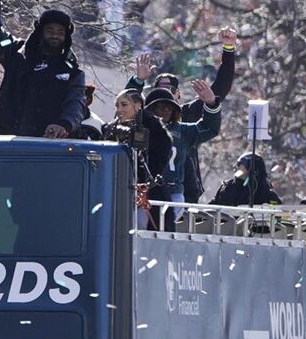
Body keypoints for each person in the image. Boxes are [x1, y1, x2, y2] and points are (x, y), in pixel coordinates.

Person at [125, 27, 238, 203]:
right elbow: (126, 106)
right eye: (159, 89)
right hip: (147, 189)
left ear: (178, 95)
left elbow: (221, 88)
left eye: (169, 89)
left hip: (185, 190)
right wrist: (138, 81)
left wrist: (229, 49)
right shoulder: (145, 118)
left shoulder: (188, 113)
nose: (164, 95)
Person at [0, 0, 86, 138]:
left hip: (48, 143)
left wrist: (64, 124)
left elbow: (76, 104)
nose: (55, 35)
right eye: (50, 30)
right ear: (40, 32)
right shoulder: (16, 53)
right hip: (10, 140)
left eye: (60, 32)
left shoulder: (72, 72)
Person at [144, 83, 222, 229]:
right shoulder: (141, 130)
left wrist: (211, 104)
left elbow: (209, 128)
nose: (166, 111)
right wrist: (137, 81)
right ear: (149, 109)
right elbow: (126, 108)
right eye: (161, 106)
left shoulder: (182, 131)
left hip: (174, 194)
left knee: (164, 229)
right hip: (145, 193)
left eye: (170, 107)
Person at [102, 88, 172, 229]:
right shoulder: (112, 128)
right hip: (118, 191)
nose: (119, 109)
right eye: (117, 106)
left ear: (138, 105)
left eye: (124, 105)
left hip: (147, 194)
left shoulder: (155, 130)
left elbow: (157, 163)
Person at [210, 152, 282, 207]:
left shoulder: (269, 195)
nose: (235, 166)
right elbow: (211, 209)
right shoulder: (227, 188)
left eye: (240, 164)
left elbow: (281, 218)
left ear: (252, 168)